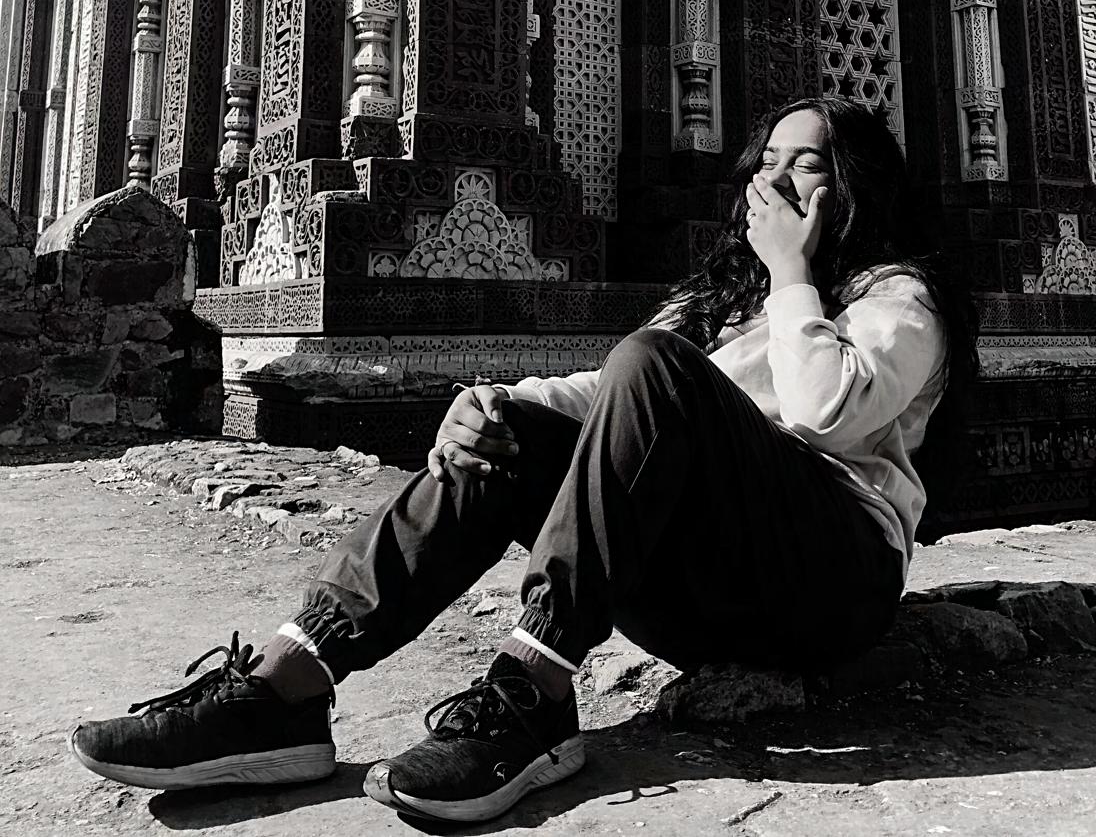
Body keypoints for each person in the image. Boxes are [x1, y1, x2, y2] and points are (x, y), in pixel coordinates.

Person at [70, 97, 977, 824]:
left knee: (654, 364)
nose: (772, 182)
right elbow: (613, 396)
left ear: (853, 187)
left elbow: (823, 409)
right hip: (708, 592)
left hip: (827, 583)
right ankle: (288, 685)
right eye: (765, 162)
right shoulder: (720, 301)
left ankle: (533, 689)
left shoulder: (898, 299)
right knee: (508, 431)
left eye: (805, 164)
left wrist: (793, 275)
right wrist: (494, 401)